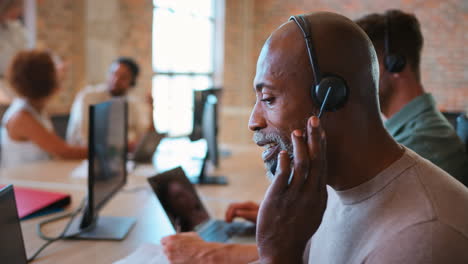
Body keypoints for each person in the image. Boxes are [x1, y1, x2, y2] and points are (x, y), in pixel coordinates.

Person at [164, 11, 468, 264]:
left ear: (331, 98)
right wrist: (283, 232)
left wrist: (276, 255)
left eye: (268, 98)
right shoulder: (331, 185)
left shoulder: (421, 238)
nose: (253, 121)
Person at [355, 10, 468, 185]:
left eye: (364, 63)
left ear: (395, 64)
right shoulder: (410, 135)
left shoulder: (419, 146)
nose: (355, 76)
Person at [1, 50, 87, 168]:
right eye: (55, 73)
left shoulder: (37, 110)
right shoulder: (21, 117)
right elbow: (64, 152)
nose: (61, 77)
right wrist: (101, 151)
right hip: (23, 183)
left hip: (39, 178)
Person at [66, 57, 152, 148]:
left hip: (116, 156)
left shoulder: (132, 104)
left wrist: (151, 108)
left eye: (123, 77)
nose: (116, 80)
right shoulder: (88, 97)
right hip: (81, 156)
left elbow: (142, 134)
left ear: (132, 82)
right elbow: (84, 137)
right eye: (114, 74)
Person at [0, 0, 29, 103]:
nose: (20, 11)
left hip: (14, 82)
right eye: (16, 6)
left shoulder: (16, 28)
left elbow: (26, 49)